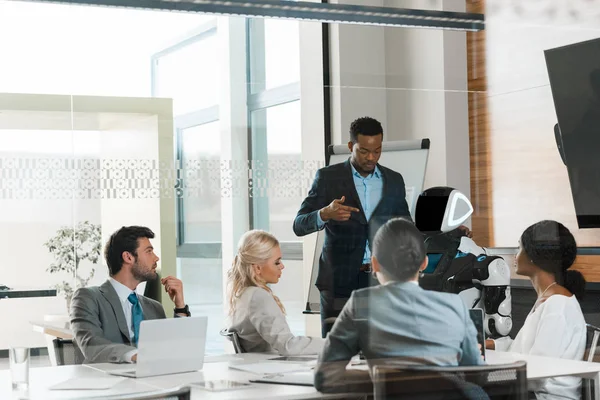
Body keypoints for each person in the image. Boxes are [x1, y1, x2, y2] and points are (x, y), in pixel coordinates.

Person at [314, 218, 483, 393]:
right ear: (424, 263)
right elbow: (477, 374)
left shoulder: (361, 303)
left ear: (374, 264)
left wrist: (380, 379)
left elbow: (326, 378)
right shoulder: (454, 305)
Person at [293, 116, 412, 337]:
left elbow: (406, 228)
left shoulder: (394, 180)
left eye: (377, 151)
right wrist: (324, 214)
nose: (371, 157)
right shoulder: (328, 178)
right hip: (338, 282)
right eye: (364, 151)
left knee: (378, 348)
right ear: (351, 146)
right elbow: (299, 225)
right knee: (338, 351)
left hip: (379, 280)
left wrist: (448, 232)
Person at [486, 220, 587, 400]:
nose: (515, 255)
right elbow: (523, 352)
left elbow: (537, 372)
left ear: (533, 255)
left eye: (519, 247)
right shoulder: (549, 299)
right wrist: (492, 345)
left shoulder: (558, 305)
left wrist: (487, 375)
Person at [70, 226, 190, 364]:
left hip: (152, 381)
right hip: (108, 382)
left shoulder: (154, 308)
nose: (156, 258)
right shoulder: (88, 298)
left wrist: (180, 307)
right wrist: (138, 356)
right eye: (149, 251)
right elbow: (92, 346)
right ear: (128, 257)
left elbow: (176, 351)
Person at [227, 229, 324, 355]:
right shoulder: (258, 296)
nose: (282, 266)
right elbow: (288, 346)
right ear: (257, 268)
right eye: (277, 262)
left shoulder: (241, 294)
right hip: (270, 369)